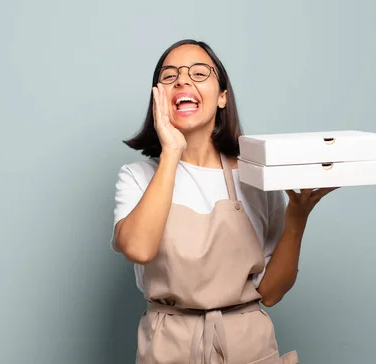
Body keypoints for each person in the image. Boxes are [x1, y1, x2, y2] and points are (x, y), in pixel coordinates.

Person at [111, 39, 337, 364]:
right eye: (170, 76)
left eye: (199, 73)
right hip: (168, 345)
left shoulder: (255, 176)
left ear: (221, 97)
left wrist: (297, 218)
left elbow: (270, 293)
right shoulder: (137, 177)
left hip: (247, 343)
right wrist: (172, 152)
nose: (183, 80)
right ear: (157, 98)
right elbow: (139, 249)